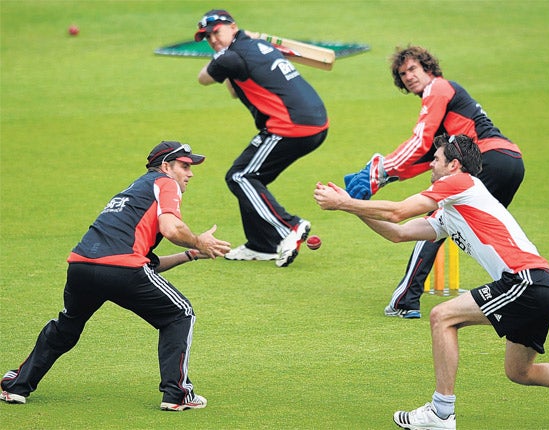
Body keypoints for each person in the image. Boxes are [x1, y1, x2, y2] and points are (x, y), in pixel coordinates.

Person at [314, 134, 549, 429]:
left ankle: (441, 412)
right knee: (519, 372)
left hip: (525, 281)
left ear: (453, 165)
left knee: (442, 316)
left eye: (435, 159)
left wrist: (343, 203)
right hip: (542, 285)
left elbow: (398, 211)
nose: (430, 165)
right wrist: (353, 208)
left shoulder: (459, 182)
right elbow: (399, 233)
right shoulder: (451, 209)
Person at [0, 141, 232, 411]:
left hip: (82, 266)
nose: (190, 173)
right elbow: (171, 229)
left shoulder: (131, 194)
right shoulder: (164, 183)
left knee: (67, 326)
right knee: (180, 314)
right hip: (121, 269)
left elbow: (142, 264)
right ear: (166, 166)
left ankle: (16, 387)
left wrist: (190, 254)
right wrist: (199, 242)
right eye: (184, 166)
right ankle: (177, 394)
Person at [343, 46, 524, 318]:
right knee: (488, 230)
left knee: (435, 224)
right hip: (511, 161)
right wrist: (382, 178)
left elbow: (420, 141)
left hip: (488, 159)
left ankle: (405, 299)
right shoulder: (445, 106)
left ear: (428, 68)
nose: (408, 76)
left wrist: (377, 172)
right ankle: (516, 289)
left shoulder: (437, 89)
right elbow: (429, 159)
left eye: (413, 69)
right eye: (402, 74)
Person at [194, 9, 329, 267]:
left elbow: (203, 79)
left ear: (232, 27)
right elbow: (236, 91)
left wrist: (219, 58)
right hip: (315, 122)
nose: (212, 40)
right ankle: (262, 244)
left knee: (240, 176)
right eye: (207, 37)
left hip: (290, 125)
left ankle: (290, 226)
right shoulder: (257, 45)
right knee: (248, 177)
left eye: (216, 33)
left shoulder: (229, 56)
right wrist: (224, 58)